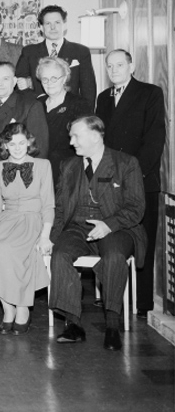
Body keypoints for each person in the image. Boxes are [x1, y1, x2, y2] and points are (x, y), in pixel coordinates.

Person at [50, 116, 146, 351]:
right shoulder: (68, 166)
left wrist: (108, 225)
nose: (71, 142)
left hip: (117, 228)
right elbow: (60, 208)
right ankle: (73, 324)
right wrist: (52, 238)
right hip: (77, 227)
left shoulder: (126, 163)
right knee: (60, 254)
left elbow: (136, 207)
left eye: (76, 136)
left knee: (114, 256)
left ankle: (112, 326)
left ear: (95, 136)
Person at [95, 50, 165, 319]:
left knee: (143, 243)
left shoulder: (150, 93)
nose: (114, 70)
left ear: (131, 66)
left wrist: (131, 177)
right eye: (109, 65)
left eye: (120, 64)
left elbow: (154, 140)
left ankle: (142, 304)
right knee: (113, 241)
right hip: (110, 185)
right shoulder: (103, 98)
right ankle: (114, 300)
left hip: (141, 182)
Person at [0, 123, 54, 335]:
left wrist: (45, 236)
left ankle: (22, 307)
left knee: (12, 251)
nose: (17, 148)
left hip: (32, 219)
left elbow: (48, 205)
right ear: (4, 146)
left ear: (29, 143)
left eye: (21, 142)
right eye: (11, 143)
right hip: (6, 219)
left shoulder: (43, 165)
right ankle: (8, 308)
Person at [16, 5, 96, 104]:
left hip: (71, 109)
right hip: (37, 109)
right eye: (48, 23)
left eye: (57, 22)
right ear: (41, 27)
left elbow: (89, 90)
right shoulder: (29, 52)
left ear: (64, 25)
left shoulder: (81, 51)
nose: (53, 27)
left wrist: (87, 112)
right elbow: (19, 87)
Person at [0, 62, 49, 165]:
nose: (0, 84)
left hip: (11, 171)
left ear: (14, 81)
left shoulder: (30, 106)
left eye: (5, 79)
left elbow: (39, 150)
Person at [36, 57, 93, 182]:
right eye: (45, 79)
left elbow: (87, 142)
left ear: (64, 78)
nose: (49, 83)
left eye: (54, 78)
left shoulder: (79, 104)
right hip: (40, 171)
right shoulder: (37, 104)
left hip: (68, 172)